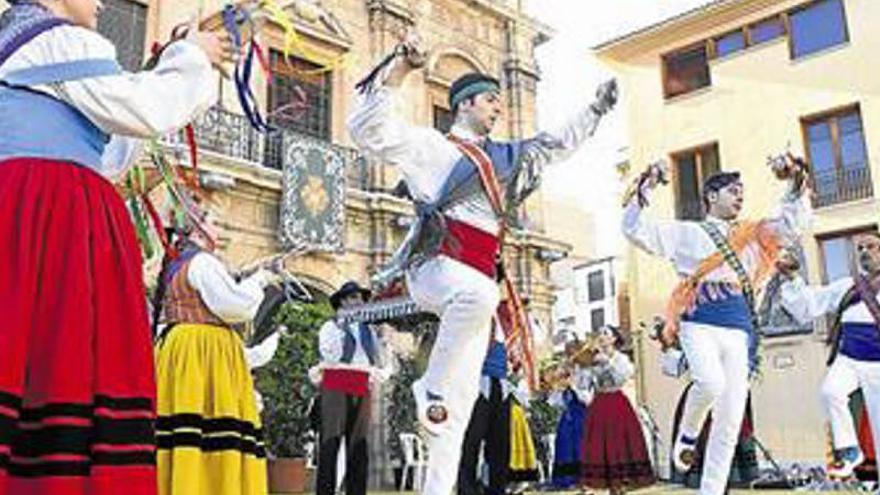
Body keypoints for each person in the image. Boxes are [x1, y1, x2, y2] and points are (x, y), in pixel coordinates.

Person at [347, 33, 616, 495]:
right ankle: (427, 386)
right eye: (491, 100)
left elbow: (553, 146)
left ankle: (438, 482)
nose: (498, 108)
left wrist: (594, 111)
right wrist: (400, 70)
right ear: (466, 103)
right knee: (480, 296)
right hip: (435, 269)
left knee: (462, 403)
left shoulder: (507, 158)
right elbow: (369, 130)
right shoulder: (433, 148)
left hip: (472, 280)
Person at [0, 0, 231, 492]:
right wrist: (191, 56)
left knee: (21, 350)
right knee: (64, 357)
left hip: (21, 212)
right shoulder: (59, 38)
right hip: (53, 213)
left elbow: (110, 149)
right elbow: (147, 108)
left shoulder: (19, 42)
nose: (103, 2)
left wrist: (163, 63)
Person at [622, 160, 808, 495]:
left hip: (739, 330)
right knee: (709, 382)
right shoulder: (688, 233)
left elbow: (792, 225)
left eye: (742, 192)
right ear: (711, 196)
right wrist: (647, 186)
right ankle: (689, 433)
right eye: (732, 191)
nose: (740, 197)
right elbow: (637, 230)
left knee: (731, 417)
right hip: (699, 322)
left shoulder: (754, 235)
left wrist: (795, 180)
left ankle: (711, 490)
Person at [153, 215, 282, 495]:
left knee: (185, 423)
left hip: (179, 347)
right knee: (214, 421)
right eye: (213, 223)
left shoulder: (176, 264)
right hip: (205, 349)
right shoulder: (202, 262)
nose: (219, 228)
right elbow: (233, 306)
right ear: (198, 230)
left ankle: (180, 483)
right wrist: (259, 280)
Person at [777, 232, 880, 480]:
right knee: (831, 391)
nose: (865, 252)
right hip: (849, 357)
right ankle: (849, 449)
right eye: (860, 249)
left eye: (872, 246)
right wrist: (792, 277)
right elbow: (811, 302)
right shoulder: (848, 286)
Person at [315, 281, 389, 495]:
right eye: (352, 298)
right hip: (336, 382)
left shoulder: (369, 331)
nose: (358, 301)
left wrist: (383, 341)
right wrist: (342, 326)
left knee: (359, 444)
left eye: (359, 298)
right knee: (330, 442)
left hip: (361, 384)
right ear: (342, 302)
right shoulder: (330, 326)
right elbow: (331, 355)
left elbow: (378, 361)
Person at [577, 327, 654, 494]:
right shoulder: (593, 358)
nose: (601, 336)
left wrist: (608, 362)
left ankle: (620, 484)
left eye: (606, 333)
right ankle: (595, 485)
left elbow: (622, 377)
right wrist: (583, 368)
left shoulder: (621, 358)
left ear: (614, 339)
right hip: (598, 404)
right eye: (600, 333)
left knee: (618, 442)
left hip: (617, 403)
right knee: (597, 444)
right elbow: (583, 386)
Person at [457, 326, 513, 495]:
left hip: (502, 384)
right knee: (471, 443)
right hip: (478, 384)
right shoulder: (476, 315)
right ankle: (467, 489)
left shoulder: (506, 320)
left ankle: (496, 489)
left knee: (501, 445)